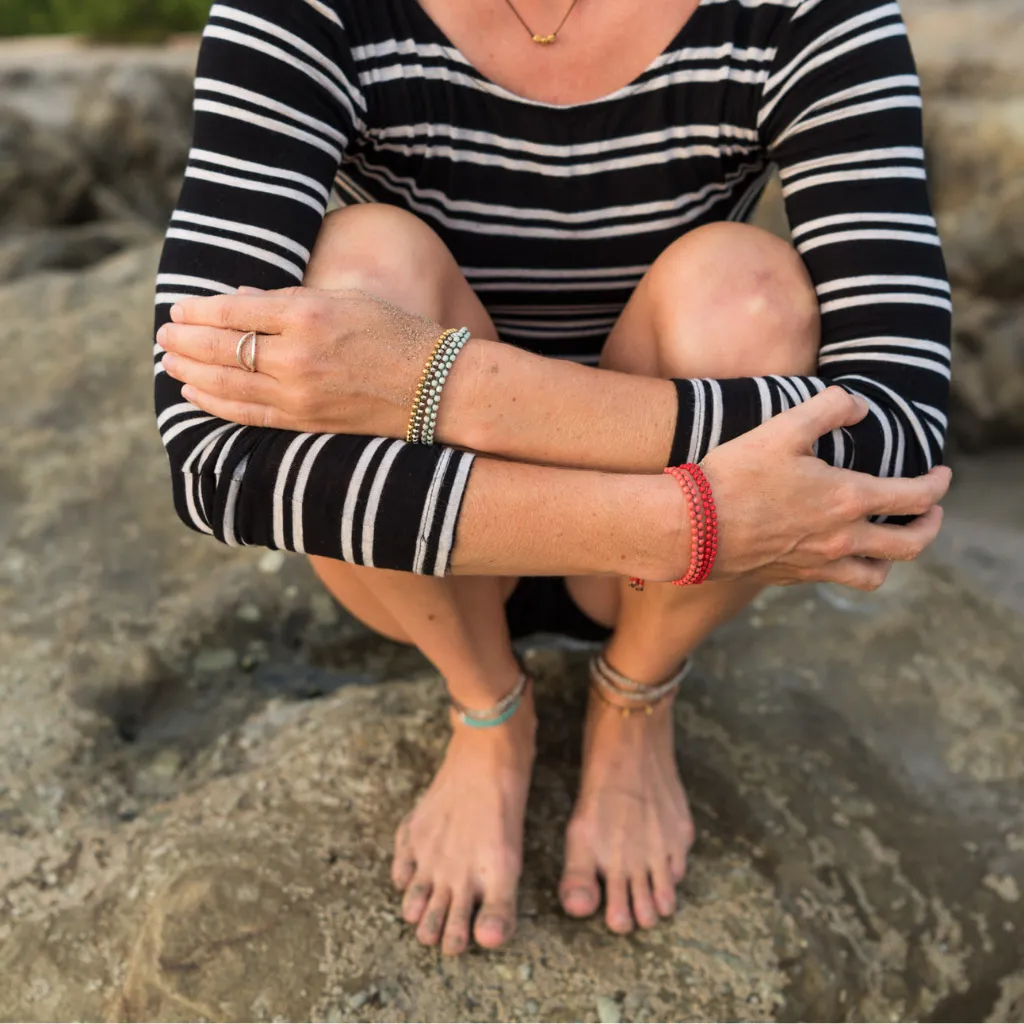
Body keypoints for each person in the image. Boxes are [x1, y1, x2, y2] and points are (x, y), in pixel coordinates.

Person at [152, 0, 952, 955]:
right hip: (445, 559)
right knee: (362, 260)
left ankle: (635, 698)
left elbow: (897, 437)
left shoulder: (807, 14)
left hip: (652, 577)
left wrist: (449, 385)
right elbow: (213, 454)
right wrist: (683, 521)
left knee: (745, 287)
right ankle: (489, 706)